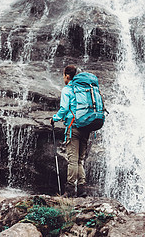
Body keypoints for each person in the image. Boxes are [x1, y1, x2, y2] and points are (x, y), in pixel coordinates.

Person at [50, 65, 89, 198]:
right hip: (86, 126)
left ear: (67, 76)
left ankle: (70, 190)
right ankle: (82, 189)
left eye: (63, 75)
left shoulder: (68, 89)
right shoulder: (84, 89)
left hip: (73, 127)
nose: (63, 78)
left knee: (72, 160)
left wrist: (54, 118)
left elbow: (64, 109)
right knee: (80, 160)